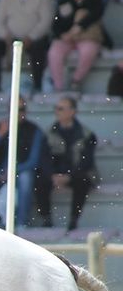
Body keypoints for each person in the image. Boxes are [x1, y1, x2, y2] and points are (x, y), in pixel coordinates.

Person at [0, 97, 44, 227]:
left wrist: (12, 171)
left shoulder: (34, 131)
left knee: (26, 179)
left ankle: (22, 223)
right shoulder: (1, 127)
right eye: (14, 109)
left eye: (21, 109)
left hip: (20, 172)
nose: (18, 113)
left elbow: (33, 161)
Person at [37, 97, 97, 230]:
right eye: (56, 108)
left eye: (61, 108)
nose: (57, 112)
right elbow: (43, 158)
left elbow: (87, 162)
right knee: (40, 180)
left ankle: (74, 219)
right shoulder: (48, 133)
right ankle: (46, 218)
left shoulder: (87, 135)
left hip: (75, 173)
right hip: (55, 173)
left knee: (82, 180)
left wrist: (69, 176)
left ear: (72, 111)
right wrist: (53, 175)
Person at [48, 0, 106, 92]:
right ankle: (58, 87)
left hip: (87, 36)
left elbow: (96, 13)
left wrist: (80, 26)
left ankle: (76, 81)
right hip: (68, 37)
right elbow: (56, 23)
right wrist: (63, 35)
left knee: (88, 50)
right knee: (54, 52)